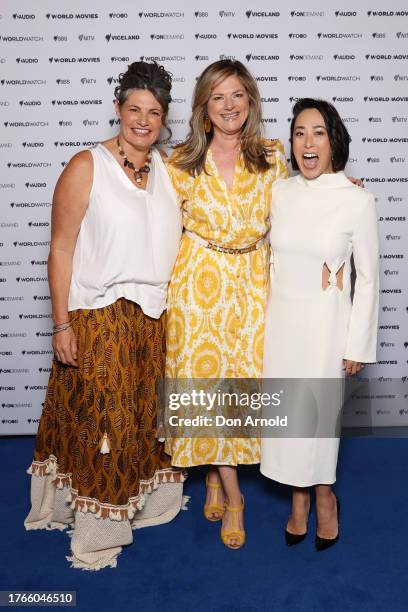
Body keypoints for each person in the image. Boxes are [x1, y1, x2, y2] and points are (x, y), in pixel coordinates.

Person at [24, 61, 185, 570]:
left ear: (163, 118)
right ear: (118, 109)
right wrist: (62, 323)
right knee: (104, 427)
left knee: (145, 421)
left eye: (153, 112)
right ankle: (96, 534)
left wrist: (327, 184)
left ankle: (147, 505)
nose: (143, 120)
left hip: (154, 317)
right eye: (134, 109)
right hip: (99, 315)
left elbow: (237, 178)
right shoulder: (85, 165)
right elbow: (61, 250)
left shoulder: (169, 168)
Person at [164, 60, 289, 549]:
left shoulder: (274, 158)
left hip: (254, 284)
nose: (229, 106)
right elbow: (152, 227)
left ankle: (217, 473)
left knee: (241, 389)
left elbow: (308, 202)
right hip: (198, 285)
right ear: (204, 106)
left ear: (251, 102)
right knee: (207, 385)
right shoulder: (178, 162)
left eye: (237, 95)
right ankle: (235, 498)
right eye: (218, 97)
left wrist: (346, 196)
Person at [260, 98, 379, 550]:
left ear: (333, 141)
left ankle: (324, 497)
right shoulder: (279, 191)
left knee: (320, 420)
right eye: (299, 133)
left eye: (318, 133)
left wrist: (356, 345)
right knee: (289, 417)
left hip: (328, 328)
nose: (307, 143)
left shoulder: (356, 200)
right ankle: (298, 500)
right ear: (291, 143)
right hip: (281, 324)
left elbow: (367, 278)